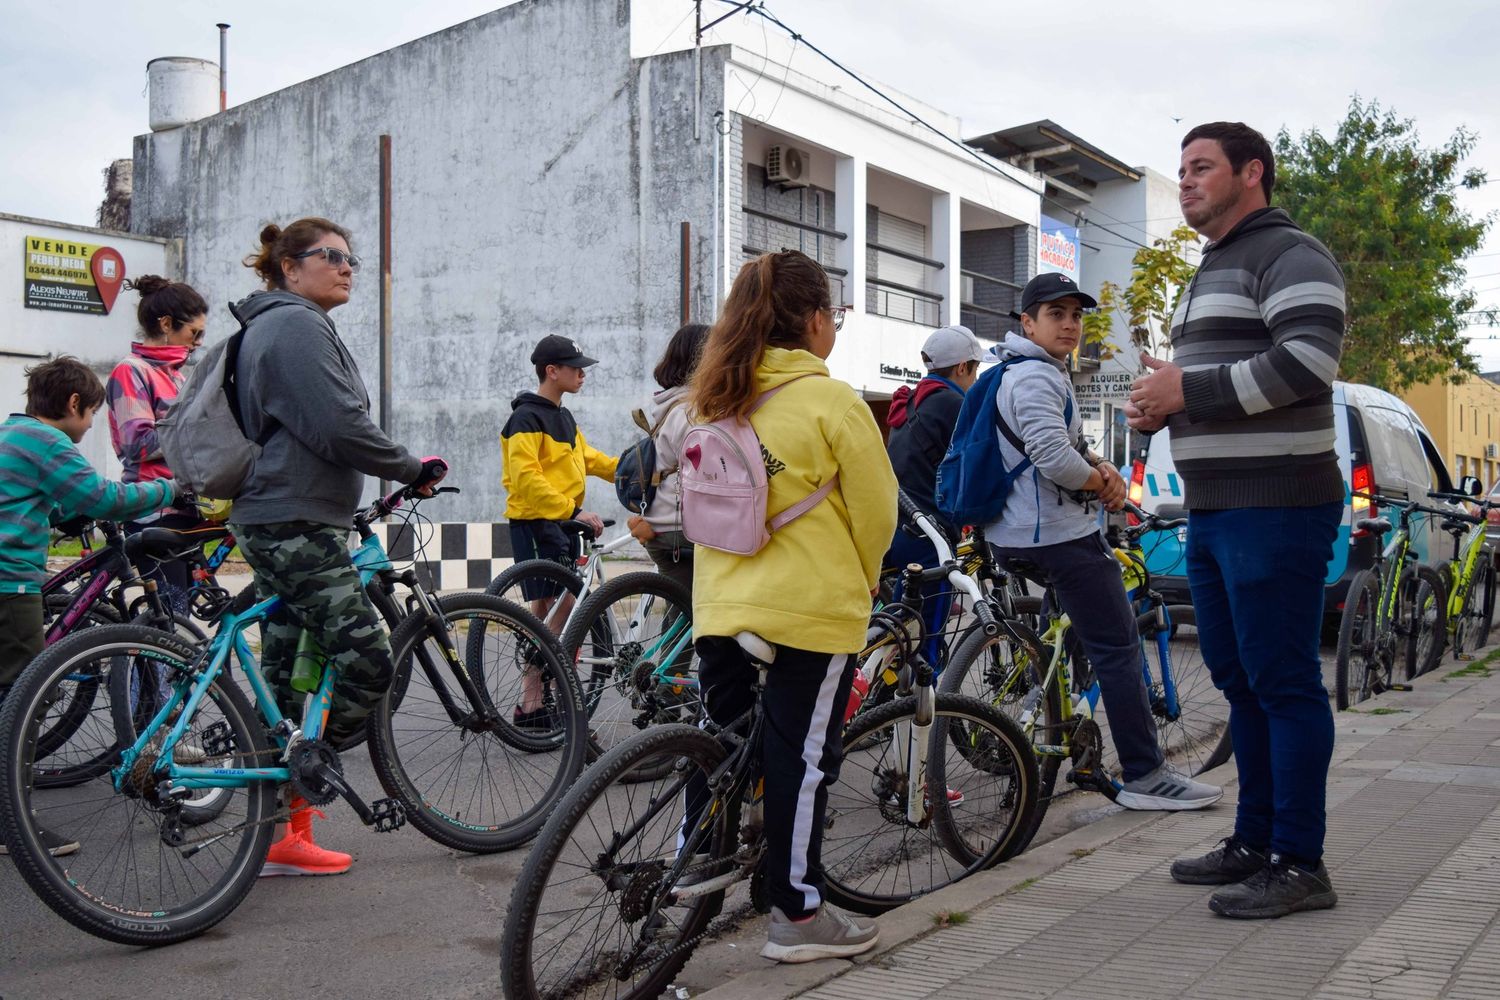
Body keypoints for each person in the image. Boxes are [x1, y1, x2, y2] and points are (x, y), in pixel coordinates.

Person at [1127, 122, 1346, 919]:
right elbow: (1213, 383)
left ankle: (1300, 862)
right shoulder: (1212, 266)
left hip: (1279, 505)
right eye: (1180, 167)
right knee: (1239, 680)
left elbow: (1308, 363)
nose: (1184, 180)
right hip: (1217, 509)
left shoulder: (1290, 253)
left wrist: (1191, 392)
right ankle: (1254, 841)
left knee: (1284, 682)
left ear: (1251, 173)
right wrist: (1160, 404)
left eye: (1201, 167)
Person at [687, 249, 897, 963]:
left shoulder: (713, 397)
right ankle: (798, 913)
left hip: (719, 605)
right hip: (809, 609)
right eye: (832, 316)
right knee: (802, 760)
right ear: (813, 322)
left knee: (718, 748)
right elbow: (877, 514)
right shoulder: (831, 401)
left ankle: (691, 869)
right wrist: (865, 578)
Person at [231, 218, 447, 878]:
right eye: (331, 257)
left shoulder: (271, 325)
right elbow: (339, 425)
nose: (347, 267)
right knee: (368, 661)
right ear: (290, 268)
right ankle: (308, 775)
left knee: (285, 676)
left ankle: (281, 833)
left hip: (287, 514)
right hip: (293, 520)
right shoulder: (295, 325)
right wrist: (410, 468)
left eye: (351, 258)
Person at [988, 271, 1222, 813]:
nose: (1070, 325)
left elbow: (1061, 447)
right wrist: (1101, 482)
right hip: (1058, 537)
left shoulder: (1020, 370)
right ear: (1028, 322)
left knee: (1068, 634)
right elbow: (1052, 456)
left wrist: (1101, 466)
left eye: (1075, 315)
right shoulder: (1037, 377)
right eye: (1056, 314)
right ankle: (1145, 775)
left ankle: (1054, 706)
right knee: (1117, 647)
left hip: (1020, 534)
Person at [0, 356, 177, 857]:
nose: (92, 424)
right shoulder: (47, 441)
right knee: (24, 700)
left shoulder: (12, 434)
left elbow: (52, 503)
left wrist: (69, 512)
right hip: (10, 584)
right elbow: (102, 497)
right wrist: (171, 488)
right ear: (74, 404)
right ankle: (9, 822)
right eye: (93, 414)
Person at [501, 333, 618, 726]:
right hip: (536, 521)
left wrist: (635, 468)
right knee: (559, 606)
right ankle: (535, 684)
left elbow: (589, 459)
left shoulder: (563, 417)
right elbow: (526, 479)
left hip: (564, 522)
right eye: (575, 368)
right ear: (552, 371)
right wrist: (574, 509)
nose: (583, 374)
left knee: (555, 607)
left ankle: (536, 702)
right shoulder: (525, 418)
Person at [106, 275, 210, 615]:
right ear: (166, 324)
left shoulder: (177, 375)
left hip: (184, 506)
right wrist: (194, 429)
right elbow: (138, 444)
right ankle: (137, 669)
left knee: (183, 619)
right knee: (168, 619)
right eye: (194, 333)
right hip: (152, 511)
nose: (197, 342)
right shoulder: (130, 371)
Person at [883, 324, 984, 666]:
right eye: (975, 369)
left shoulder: (915, 399)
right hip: (926, 535)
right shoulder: (955, 404)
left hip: (893, 526)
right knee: (924, 647)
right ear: (961, 368)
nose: (975, 378)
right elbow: (979, 462)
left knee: (901, 628)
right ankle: (927, 712)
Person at [625, 322, 710, 596]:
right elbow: (705, 472)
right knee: (696, 621)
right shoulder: (690, 412)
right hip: (678, 530)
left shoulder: (670, 404)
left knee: (680, 616)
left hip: (660, 524)